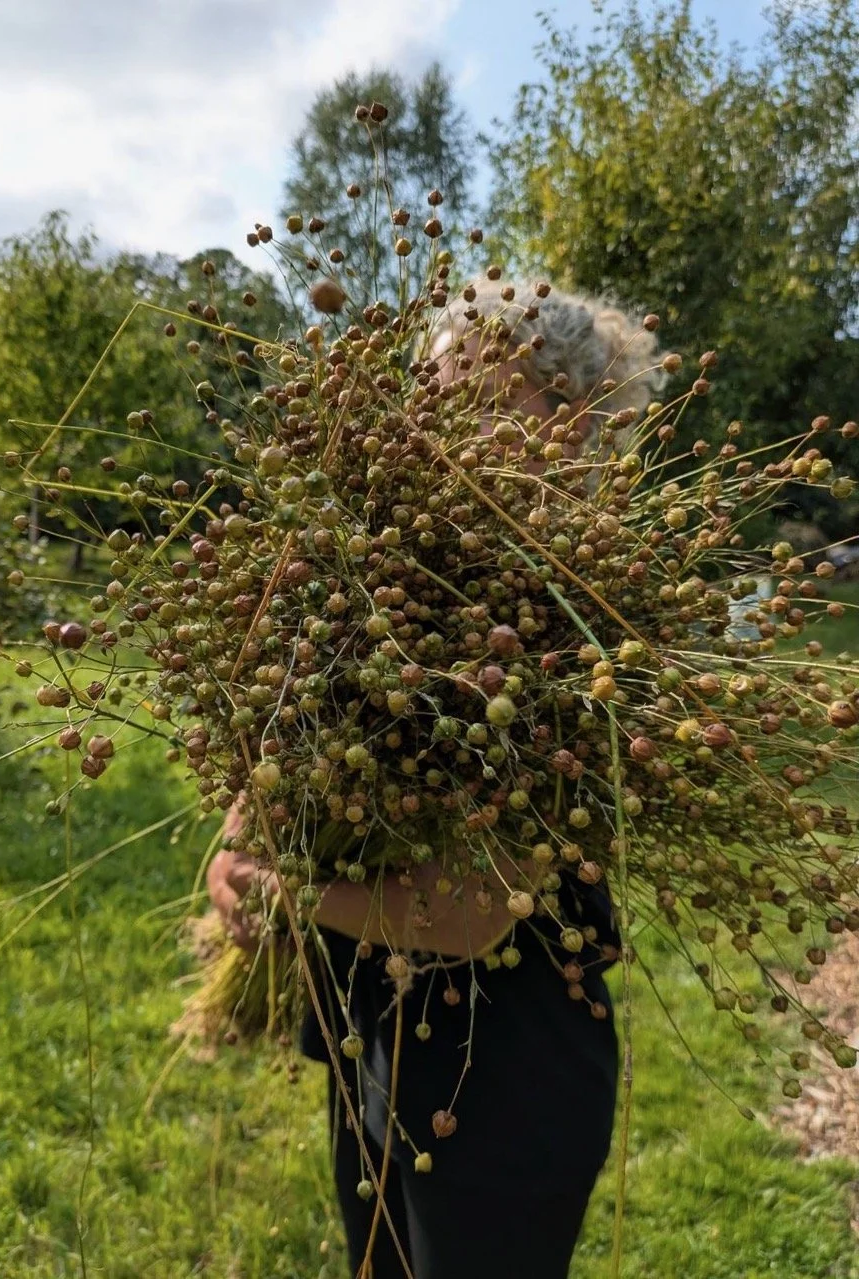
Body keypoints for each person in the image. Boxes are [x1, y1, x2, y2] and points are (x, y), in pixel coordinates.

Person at [208, 278, 662, 1279]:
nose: (430, 431)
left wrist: (294, 897)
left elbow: (468, 915)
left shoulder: (582, 618)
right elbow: (279, 732)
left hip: (504, 1079)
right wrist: (241, 840)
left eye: (478, 399)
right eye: (428, 398)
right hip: (375, 1026)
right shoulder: (376, 569)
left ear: (572, 424)